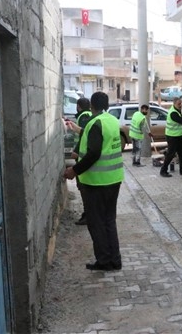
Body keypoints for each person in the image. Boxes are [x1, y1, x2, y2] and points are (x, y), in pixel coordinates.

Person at [64, 91, 124, 271]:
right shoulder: (111, 120)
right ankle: (115, 259)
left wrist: (74, 170)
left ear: (91, 106)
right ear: (106, 105)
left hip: (97, 182)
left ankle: (104, 261)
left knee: (96, 222)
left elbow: (94, 153)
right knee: (109, 221)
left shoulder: (94, 123)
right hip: (114, 179)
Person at [71, 97, 92, 225]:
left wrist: (77, 151)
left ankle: (88, 214)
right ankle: (88, 213)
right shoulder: (88, 115)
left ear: (78, 106)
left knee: (83, 187)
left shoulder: (84, 117)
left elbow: (84, 135)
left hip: (82, 158)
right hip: (84, 157)